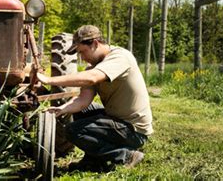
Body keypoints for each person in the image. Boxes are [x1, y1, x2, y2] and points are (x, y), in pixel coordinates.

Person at [36, 25, 153, 172]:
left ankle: (127, 155)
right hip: (117, 120)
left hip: (133, 130)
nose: (82, 58)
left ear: (95, 43)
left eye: (82, 52)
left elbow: (92, 79)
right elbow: (83, 101)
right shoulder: (93, 68)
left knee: (73, 131)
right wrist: (62, 109)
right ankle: (93, 160)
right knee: (82, 111)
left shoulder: (120, 57)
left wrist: (49, 80)